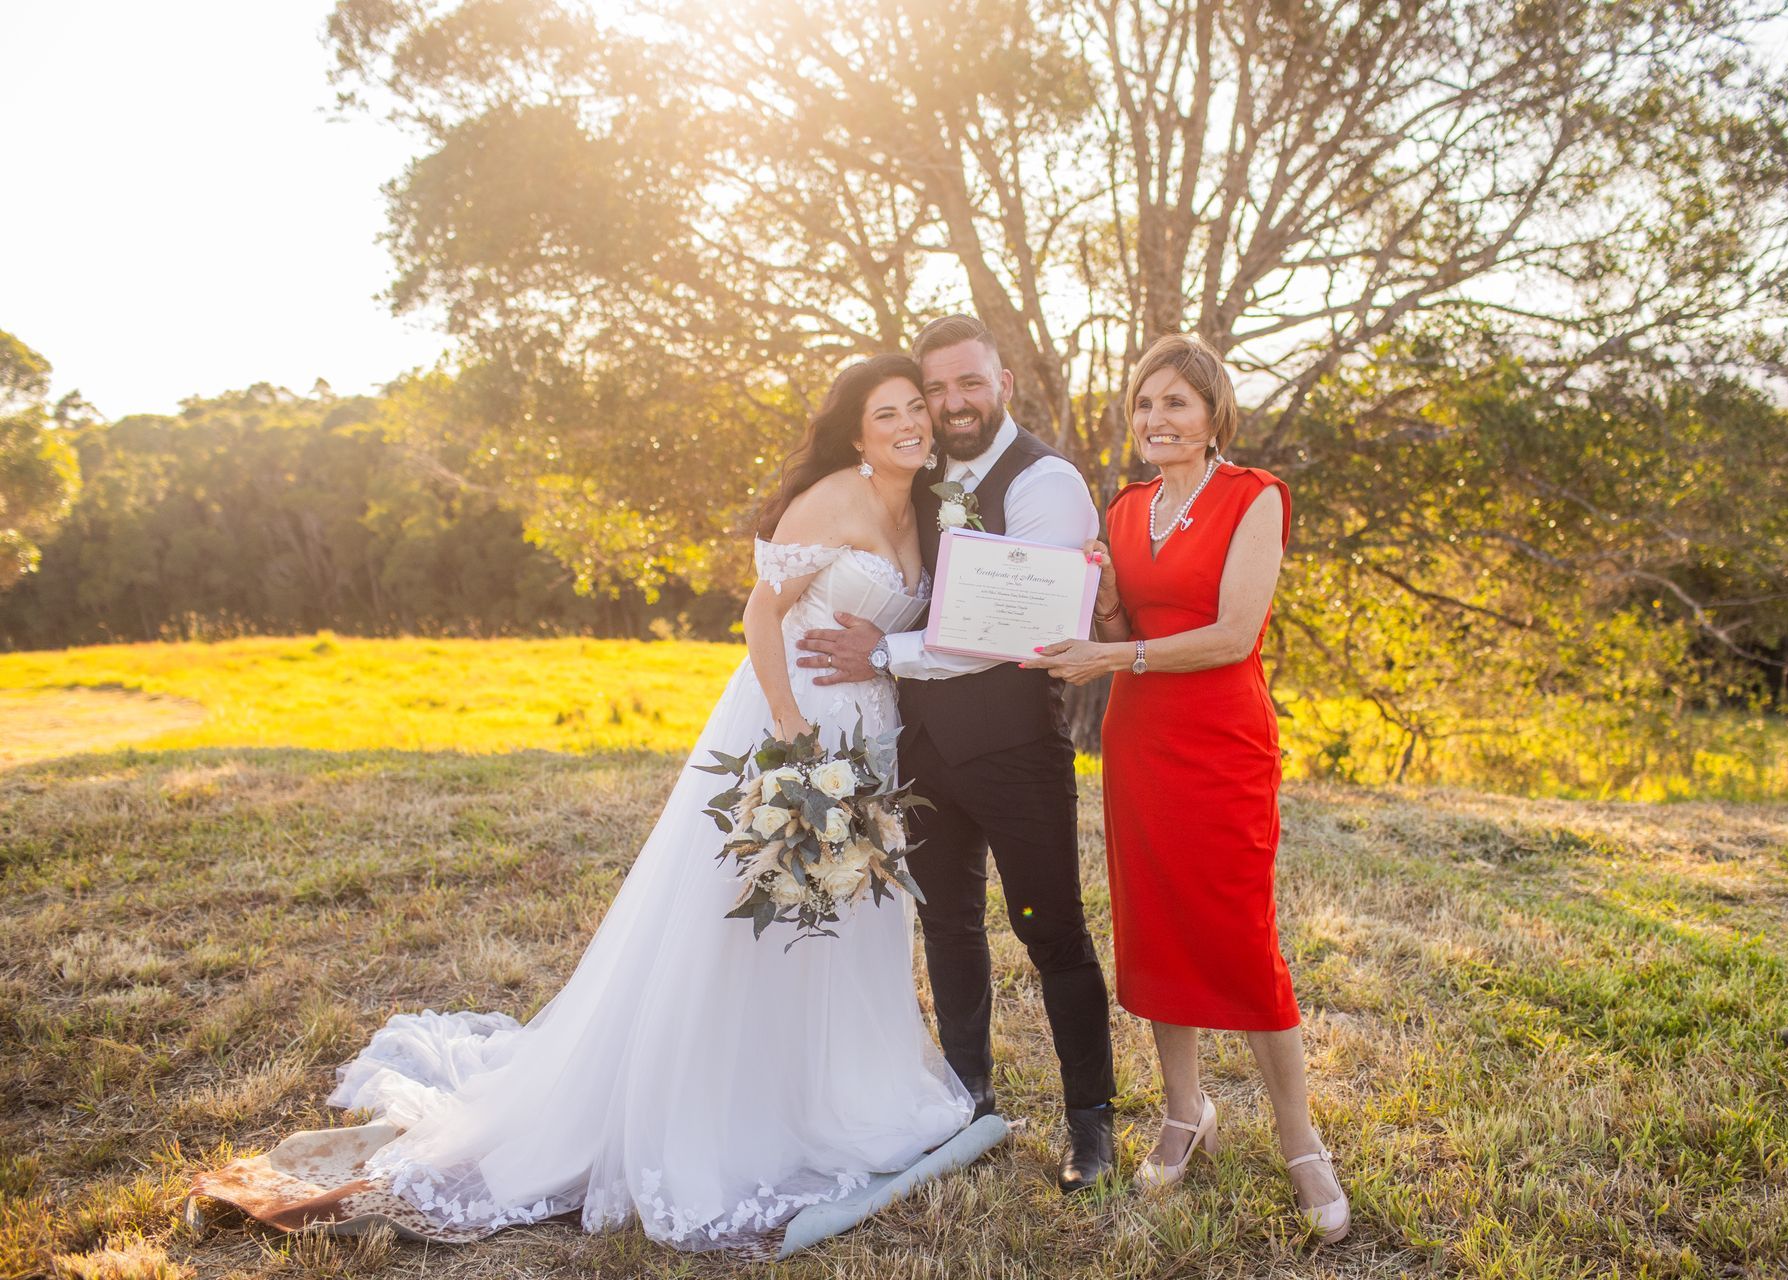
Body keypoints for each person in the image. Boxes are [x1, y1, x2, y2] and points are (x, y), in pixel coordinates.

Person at [188, 356, 974, 1252]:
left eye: (917, 407)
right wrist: (791, 731)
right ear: (855, 429)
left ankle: (842, 1089)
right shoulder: (832, 497)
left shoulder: (925, 503)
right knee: (760, 918)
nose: (911, 422)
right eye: (890, 412)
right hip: (799, 729)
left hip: (872, 739)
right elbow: (763, 617)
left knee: (849, 914)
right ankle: (736, 1107)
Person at [1027, 333, 1350, 1240]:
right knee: (1158, 923)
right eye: (1143, 404)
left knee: (1238, 932)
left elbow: (1233, 634)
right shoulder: (1127, 510)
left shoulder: (1256, 498)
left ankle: (1298, 1134)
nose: (1156, 419)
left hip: (1221, 738)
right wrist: (1095, 600)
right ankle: (1184, 1112)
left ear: (1213, 415)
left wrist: (1116, 650)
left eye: (1176, 402)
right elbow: (1127, 618)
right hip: (1140, 742)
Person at [796, 316, 1119, 1192]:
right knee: (946, 924)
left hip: (1016, 747)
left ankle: (1090, 1123)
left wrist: (885, 652)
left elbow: (1019, 625)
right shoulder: (918, 471)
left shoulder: (1047, 483)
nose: (950, 404)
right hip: (924, 745)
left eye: (967, 384)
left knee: (1052, 932)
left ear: (1003, 382)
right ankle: (966, 1097)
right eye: (936, 389)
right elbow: (912, 580)